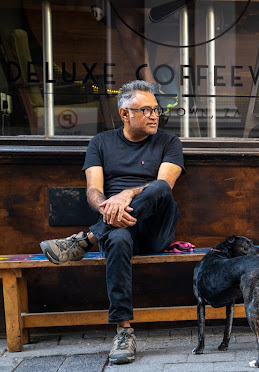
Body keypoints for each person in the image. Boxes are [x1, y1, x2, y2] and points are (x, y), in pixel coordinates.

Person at [39, 80, 185, 365]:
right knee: (117, 238)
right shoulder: (101, 142)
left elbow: (165, 185)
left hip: (156, 228)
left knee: (159, 189)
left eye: (156, 110)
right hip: (115, 224)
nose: (155, 115)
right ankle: (123, 330)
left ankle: (87, 239)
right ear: (125, 113)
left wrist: (126, 194)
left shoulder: (169, 142)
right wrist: (108, 206)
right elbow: (93, 191)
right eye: (146, 110)